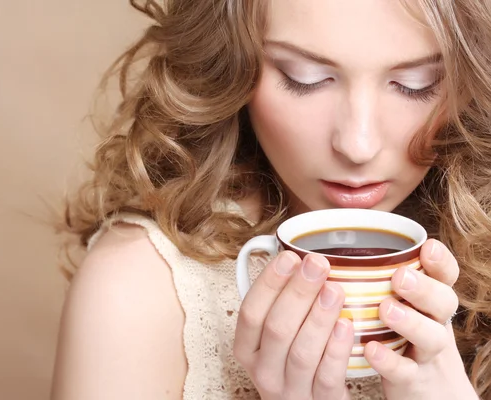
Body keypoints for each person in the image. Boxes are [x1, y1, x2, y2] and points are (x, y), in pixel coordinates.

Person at [50, 0, 491, 398]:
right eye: (306, 79)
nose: (358, 145)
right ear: (231, 66)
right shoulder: (136, 290)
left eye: (417, 83)